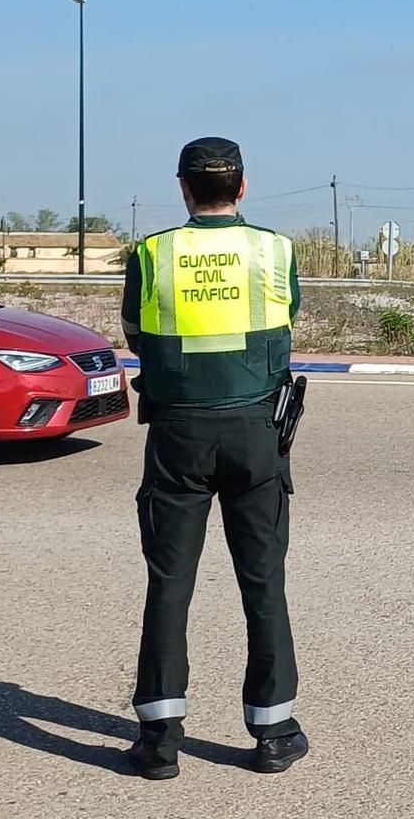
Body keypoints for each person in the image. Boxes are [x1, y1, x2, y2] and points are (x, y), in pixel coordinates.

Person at [119, 136, 308, 779]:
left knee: (170, 583)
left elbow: (138, 334)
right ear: (243, 187)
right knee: (263, 580)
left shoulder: (152, 253)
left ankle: (160, 741)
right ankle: (274, 730)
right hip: (256, 430)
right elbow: (287, 321)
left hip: (178, 435)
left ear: (183, 189)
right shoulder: (273, 250)